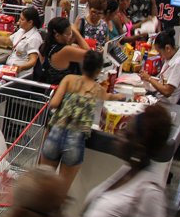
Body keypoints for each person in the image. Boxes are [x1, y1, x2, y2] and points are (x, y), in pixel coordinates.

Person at [40, 51, 121, 195]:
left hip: (55, 134)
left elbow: (54, 103)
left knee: (42, 185)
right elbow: (109, 97)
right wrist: (119, 96)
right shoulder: (98, 89)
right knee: (60, 192)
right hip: (75, 141)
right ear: (98, 70)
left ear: (82, 65)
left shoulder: (69, 79)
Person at [0, 6, 43, 74]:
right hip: (10, 69)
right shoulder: (21, 30)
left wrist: (21, 67)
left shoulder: (34, 38)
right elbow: (7, 41)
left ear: (30, 22)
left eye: (22, 19)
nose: (19, 21)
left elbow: (33, 61)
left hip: (22, 74)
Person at [36, 17, 90, 85]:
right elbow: (90, 55)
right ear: (57, 36)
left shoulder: (44, 47)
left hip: (51, 88)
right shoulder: (65, 50)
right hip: (65, 91)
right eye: (68, 34)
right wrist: (76, 31)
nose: (70, 36)